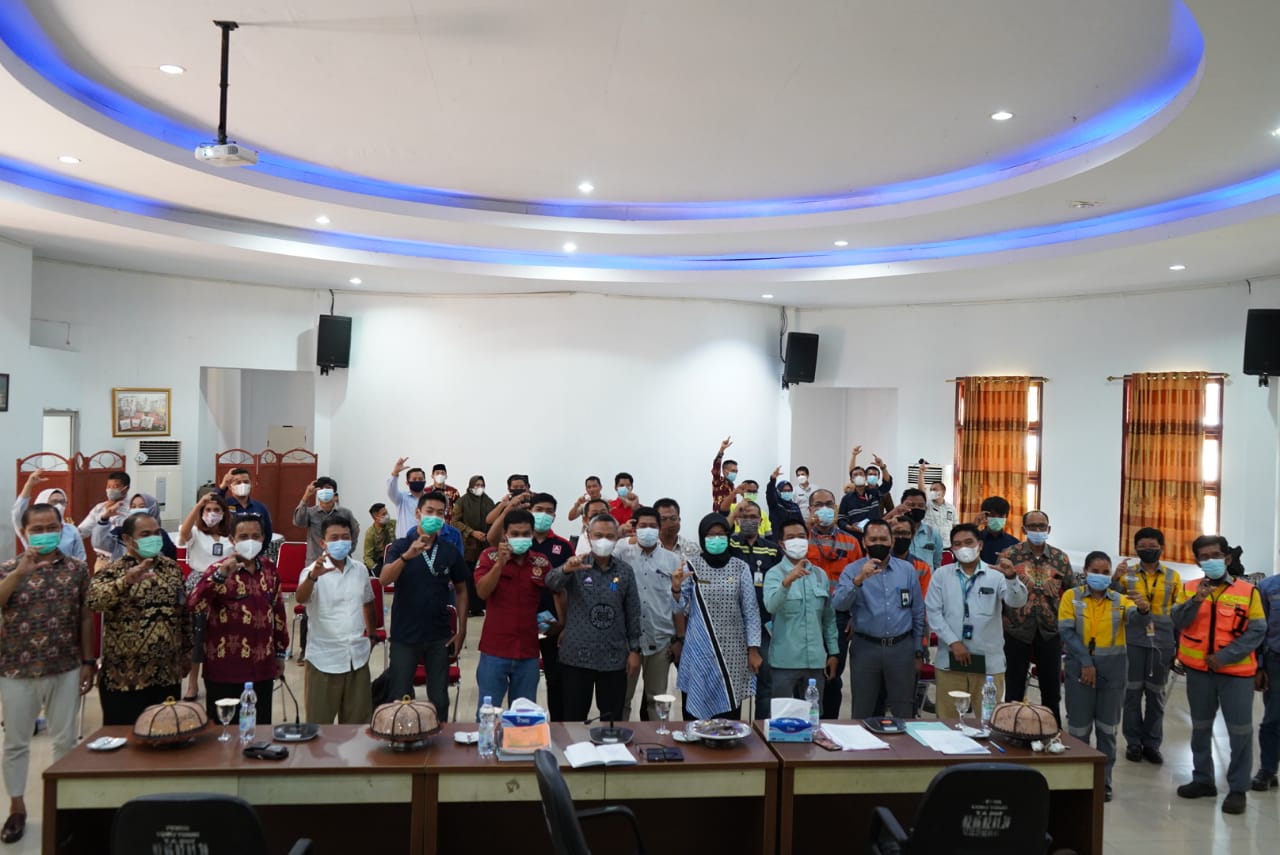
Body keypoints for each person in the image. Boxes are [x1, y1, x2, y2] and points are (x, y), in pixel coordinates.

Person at [0, 503, 94, 845]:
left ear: (62, 529)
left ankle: (63, 806)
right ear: (24, 533)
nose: (44, 534)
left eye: (51, 527)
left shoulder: (77, 569)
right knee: (16, 743)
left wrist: (89, 661)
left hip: (65, 666)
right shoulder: (7, 568)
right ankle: (17, 807)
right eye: (36, 529)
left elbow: (85, 616)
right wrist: (19, 573)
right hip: (17, 669)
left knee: (65, 741)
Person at [1171, 535, 1266, 815]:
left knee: (1240, 732)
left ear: (1227, 558)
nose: (1210, 560)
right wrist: (1197, 600)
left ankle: (1238, 789)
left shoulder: (1249, 591)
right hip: (1199, 673)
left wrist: (1224, 657)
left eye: (1215, 555)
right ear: (1197, 561)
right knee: (1200, 728)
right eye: (1204, 557)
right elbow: (1178, 621)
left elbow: (1257, 630)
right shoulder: (1189, 588)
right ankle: (1203, 780)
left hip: (1236, 674)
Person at [1059, 551, 1151, 802]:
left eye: (1105, 572)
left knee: (1107, 731)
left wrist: (1144, 610)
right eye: (1095, 571)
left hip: (1113, 674)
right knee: (1078, 730)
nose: (1100, 576)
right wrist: (1086, 662)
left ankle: (1103, 782)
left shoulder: (1121, 600)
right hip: (1080, 671)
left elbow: (1136, 621)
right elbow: (1066, 632)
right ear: (1085, 572)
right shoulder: (1071, 597)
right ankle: (1077, 781)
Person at [87, 511, 192, 725]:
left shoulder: (171, 568)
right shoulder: (113, 570)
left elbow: (183, 614)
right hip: (125, 677)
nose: (153, 538)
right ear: (127, 539)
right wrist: (125, 581)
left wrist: (187, 653)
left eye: (156, 533)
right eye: (145, 534)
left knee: (165, 735)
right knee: (124, 739)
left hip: (167, 675)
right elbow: (94, 601)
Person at [188, 515, 288, 723]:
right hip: (225, 668)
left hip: (262, 667)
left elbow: (278, 611)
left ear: (263, 539)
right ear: (232, 539)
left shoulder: (269, 569)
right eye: (243, 536)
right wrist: (220, 576)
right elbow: (195, 604)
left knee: (260, 728)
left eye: (255, 536)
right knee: (224, 730)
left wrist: (279, 652)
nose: (250, 541)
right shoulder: (218, 570)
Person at [381, 492, 470, 721]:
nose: (434, 517)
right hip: (405, 635)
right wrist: (407, 556)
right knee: (399, 695)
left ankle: (439, 738)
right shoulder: (401, 545)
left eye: (440, 513)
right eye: (430, 511)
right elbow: (384, 579)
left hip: (439, 636)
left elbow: (462, 590)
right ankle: (401, 737)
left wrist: (462, 629)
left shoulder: (449, 550)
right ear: (418, 513)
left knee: (439, 699)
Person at [926, 523, 1028, 719]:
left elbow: (1017, 602)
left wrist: (1012, 577)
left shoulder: (996, 575)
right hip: (951, 661)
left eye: (968, 542)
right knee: (948, 721)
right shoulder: (941, 575)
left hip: (988, 664)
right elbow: (933, 612)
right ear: (952, 548)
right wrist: (954, 643)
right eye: (957, 544)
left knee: (990, 722)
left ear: (980, 545)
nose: (963, 548)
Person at [546, 514, 642, 722]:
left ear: (616, 538)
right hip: (577, 656)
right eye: (598, 535)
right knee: (573, 716)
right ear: (589, 536)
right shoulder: (576, 565)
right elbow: (551, 582)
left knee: (612, 718)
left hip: (614, 657)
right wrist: (565, 570)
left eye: (609, 536)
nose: (603, 540)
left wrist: (634, 650)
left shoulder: (625, 571)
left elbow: (633, 612)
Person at [672, 513, 762, 721]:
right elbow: (678, 607)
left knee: (728, 719)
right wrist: (675, 588)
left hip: (733, 652)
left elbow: (750, 610)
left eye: (721, 534)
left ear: (728, 536)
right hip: (699, 650)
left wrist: (753, 650)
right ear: (703, 537)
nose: (716, 539)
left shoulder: (740, 567)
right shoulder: (691, 567)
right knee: (695, 717)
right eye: (711, 535)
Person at [834, 519, 926, 718]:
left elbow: (917, 610)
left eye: (883, 539)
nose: (878, 543)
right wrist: (859, 580)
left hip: (901, 647)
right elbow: (839, 604)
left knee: (904, 709)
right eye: (873, 539)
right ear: (864, 542)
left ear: (892, 541)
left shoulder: (907, 570)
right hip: (866, 648)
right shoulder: (852, 570)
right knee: (863, 709)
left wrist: (918, 647)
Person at [1116, 526, 1186, 765]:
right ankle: (1133, 743)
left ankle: (1152, 744)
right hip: (1133, 639)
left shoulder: (1173, 577)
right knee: (1132, 694)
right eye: (1142, 546)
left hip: (1162, 642)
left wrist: (1178, 646)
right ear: (1135, 548)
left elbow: (1180, 612)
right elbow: (1112, 600)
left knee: (1156, 695)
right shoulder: (1127, 575)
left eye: (1152, 546)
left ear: (1161, 548)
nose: (1147, 550)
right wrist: (1114, 579)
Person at [999, 510, 1075, 727]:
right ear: (1024, 529)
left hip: (1050, 631)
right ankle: (1012, 729)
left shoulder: (1060, 558)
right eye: (1032, 526)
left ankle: (1052, 732)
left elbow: (1072, 592)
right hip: (1016, 630)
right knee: (1014, 688)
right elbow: (999, 591)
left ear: (1048, 529)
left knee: (1051, 689)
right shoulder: (1010, 555)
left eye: (1042, 526)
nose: (1038, 530)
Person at [296, 519, 376, 724]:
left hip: (357, 658)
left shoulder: (360, 570)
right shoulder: (311, 571)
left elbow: (368, 601)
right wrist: (313, 577)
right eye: (334, 538)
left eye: (345, 537)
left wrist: (372, 635)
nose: (340, 542)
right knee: (320, 727)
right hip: (324, 660)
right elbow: (301, 598)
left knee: (358, 725)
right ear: (323, 542)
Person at [473, 510, 551, 713]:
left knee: (524, 715)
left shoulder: (541, 563)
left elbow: (557, 592)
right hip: (495, 649)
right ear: (505, 534)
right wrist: (500, 563)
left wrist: (558, 625)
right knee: (488, 714)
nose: (520, 538)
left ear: (532, 534)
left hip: (528, 651)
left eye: (525, 534)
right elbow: (482, 592)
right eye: (515, 534)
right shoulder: (489, 557)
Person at [763, 518, 839, 706]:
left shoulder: (820, 575)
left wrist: (833, 652)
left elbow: (828, 618)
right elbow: (771, 606)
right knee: (783, 715)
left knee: (813, 715)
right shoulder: (774, 574)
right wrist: (787, 582)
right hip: (785, 661)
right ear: (782, 543)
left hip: (815, 662)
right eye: (791, 537)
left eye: (801, 536)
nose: (797, 540)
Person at [616, 506, 681, 721]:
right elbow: (610, 582)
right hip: (627, 640)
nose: (648, 530)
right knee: (622, 698)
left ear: (660, 528)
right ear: (635, 528)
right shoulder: (622, 553)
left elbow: (678, 601)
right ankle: (620, 737)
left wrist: (678, 638)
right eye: (643, 525)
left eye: (653, 526)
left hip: (660, 638)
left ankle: (658, 737)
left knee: (657, 699)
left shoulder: (672, 560)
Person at [805, 489, 864, 718]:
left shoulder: (851, 542)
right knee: (806, 676)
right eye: (818, 505)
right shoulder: (800, 540)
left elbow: (862, 583)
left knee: (832, 676)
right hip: (806, 618)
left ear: (836, 508)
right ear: (810, 509)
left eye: (829, 504)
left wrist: (855, 616)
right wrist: (805, 529)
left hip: (839, 618)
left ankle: (830, 725)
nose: (824, 509)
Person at [178, 492, 233, 701]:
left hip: (225, 584)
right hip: (199, 583)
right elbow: (183, 533)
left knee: (222, 633)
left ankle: (220, 678)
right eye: (207, 510)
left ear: (224, 513)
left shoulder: (230, 536)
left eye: (216, 510)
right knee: (197, 634)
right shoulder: (195, 533)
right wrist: (198, 504)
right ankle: (192, 684)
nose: (212, 514)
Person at [729, 500, 782, 719]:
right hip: (733, 625)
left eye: (753, 517)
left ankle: (761, 728)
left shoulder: (772, 548)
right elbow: (714, 533)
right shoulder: (729, 544)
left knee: (766, 681)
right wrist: (733, 513)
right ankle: (731, 727)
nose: (749, 520)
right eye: (744, 516)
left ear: (761, 521)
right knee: (732, 683)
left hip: (764, 624)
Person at [10, 470, 84, 561]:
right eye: (54, 501)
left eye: (62, 502)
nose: (59, 505)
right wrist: (28, 486)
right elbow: (17, 513)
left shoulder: (71, 530)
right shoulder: (30, 526)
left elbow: (80, 556)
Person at [451, 477, 495, 615]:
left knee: (482, 574)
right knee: (468, 577)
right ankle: (467, 607)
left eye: (482, 485)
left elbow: (493, 520)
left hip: (484, 544)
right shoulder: (462, 501)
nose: (479, 487)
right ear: (470, 486)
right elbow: (454, 521)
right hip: (468, 545)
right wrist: (472, 532)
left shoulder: (489, 501)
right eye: (476, 485)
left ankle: (478, 607)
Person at [92, 493, 178, 563]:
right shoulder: (121, 532)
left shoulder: (161, 534)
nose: (137, 510)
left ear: (153, 509)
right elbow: (99, 543)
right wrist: (104, 518)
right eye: (133, 507)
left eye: (142, 506)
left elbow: (172, 558)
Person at [292, 476, 361, 563]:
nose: (324, 491)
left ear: (334, 493)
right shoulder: (310, 512)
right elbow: (297, 522)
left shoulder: (345, 513)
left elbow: (355, 531)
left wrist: (348, 550)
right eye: (321, 489)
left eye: (328, 488)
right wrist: (306, 496)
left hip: (340, 561)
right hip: (315, 560)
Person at [1255, 565, 1280, 792]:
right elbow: (1259, 629)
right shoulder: (1267, 587)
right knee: (1273, 718)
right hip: (1275, 662)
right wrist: (1259, 666)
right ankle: (1268, 770)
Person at [838, 446, 893, 533]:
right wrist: (850, 527)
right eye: (855, 475)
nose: (858, 476)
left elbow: (887, 484)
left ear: (866, 478)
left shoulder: (874, 493)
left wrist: (882, 467)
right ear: (851, 480)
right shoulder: (847, 498)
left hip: (874, 533)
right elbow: (841, 520)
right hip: (855, 535)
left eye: (861, 474)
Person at [216, 468, 274, 546]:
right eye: (238, 482)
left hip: (254, 551)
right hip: (228, 550)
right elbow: (211, 501)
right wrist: (222, 486)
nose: (242, 485)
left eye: (246, 482)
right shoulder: (223, 505)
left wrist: (258, 550)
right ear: (230, 486)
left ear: (251, 485)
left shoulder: (261, 507)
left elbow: (267, 533)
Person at [77, 470, 130, 540]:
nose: (110, 489)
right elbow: (85, 529)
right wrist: (74, 532)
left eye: (115, 487)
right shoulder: (99, 507)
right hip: (100, 546)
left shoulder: (131, 507)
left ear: (126, 489)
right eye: (108, 486)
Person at [387, 458, 431, 540]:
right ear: (407, 483)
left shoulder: (431, 499)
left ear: (425, 481)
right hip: (405, 542)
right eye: (414, 479)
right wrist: (395, 473)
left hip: (426, 541)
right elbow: (391, 491)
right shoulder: (401, 498)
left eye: (420, 479)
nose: (417, 481)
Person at [974, 496, 1019, 565]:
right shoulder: (975, 539)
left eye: (1001, 515)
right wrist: (974, 526)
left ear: (1006, 517)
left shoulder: (1014, 543)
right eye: (992, 515)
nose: (996, 518)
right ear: (984, 515)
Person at [917, 472, 958, 537]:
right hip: (929, 541)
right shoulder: (927, 504)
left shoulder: (951, 507)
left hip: (946, 542)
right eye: (931, 490)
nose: (932, 492)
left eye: (935, 489)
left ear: (943, 492)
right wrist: (921, 473)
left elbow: (955, 525)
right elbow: (921, 492)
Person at [363, 503, 397, 577]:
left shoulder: (393, 524)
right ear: (376, 517)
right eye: (384, 514)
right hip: (380, 561)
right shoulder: (370, 533)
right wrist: (375, 567)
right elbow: (367, 556)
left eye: (387, 512)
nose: (387, 516)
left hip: (395, 556)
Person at [711, 436, 737, 513]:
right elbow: (716, 468)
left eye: (736, 471)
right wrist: (721, 450)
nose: (735, 473)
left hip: (731, 518)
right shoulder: (718, 481)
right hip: (719, 517)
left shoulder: (733, 487)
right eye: (733, 471)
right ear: (724, 471)